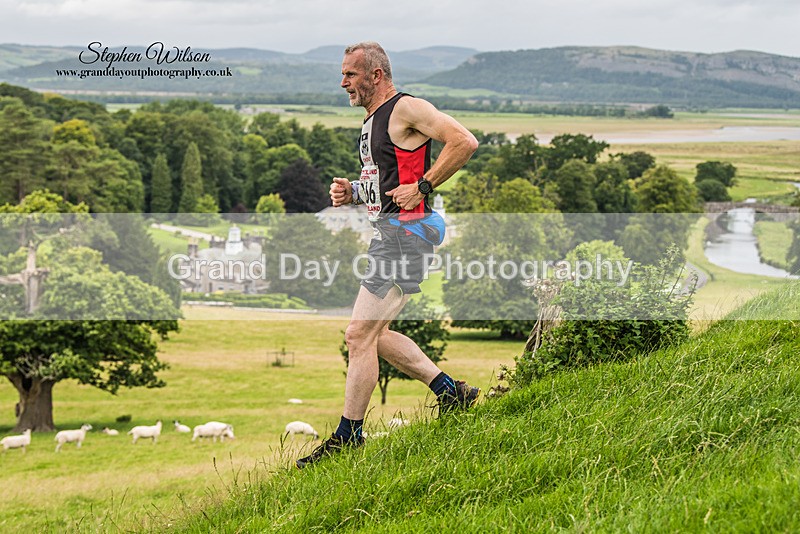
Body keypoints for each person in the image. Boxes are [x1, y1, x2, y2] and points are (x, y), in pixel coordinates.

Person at [296, 41, 480, 469]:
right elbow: (389, 183)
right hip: (391, 234)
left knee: (358, 335)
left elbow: (464, 142)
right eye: (343, 74)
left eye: (350, 74)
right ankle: (451, 393)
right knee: (374, 336)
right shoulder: (373, 120)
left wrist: (425, 186)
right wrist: (354, 192)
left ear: (376, 75)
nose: (343, 82)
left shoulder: (406, 108)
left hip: (405, 236)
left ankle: (348, 438)